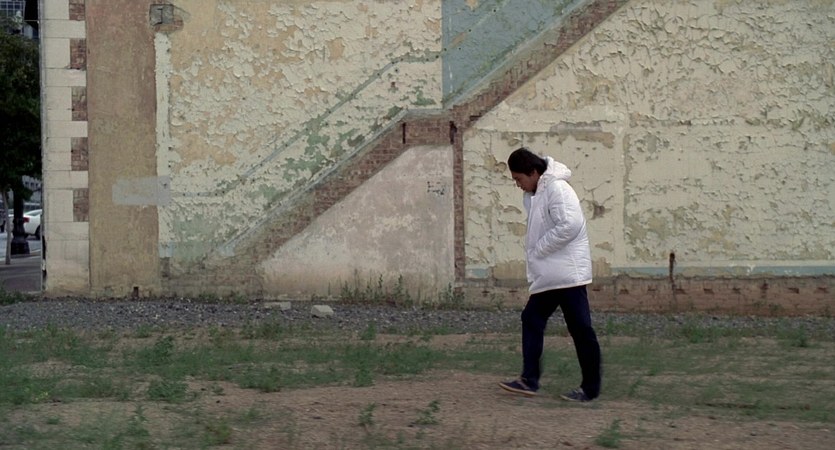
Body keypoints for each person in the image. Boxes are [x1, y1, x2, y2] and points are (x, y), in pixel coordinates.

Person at [498, 147, 602, 402]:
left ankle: (589, 389)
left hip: (567, 276)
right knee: (532, 318)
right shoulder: (540, 193)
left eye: (519, 179)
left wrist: (539, 248)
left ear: (534, 172)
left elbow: (571, 225)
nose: (518, 185)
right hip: (554, 275)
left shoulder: (557, 189)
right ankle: (529, 380)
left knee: (581, 329)